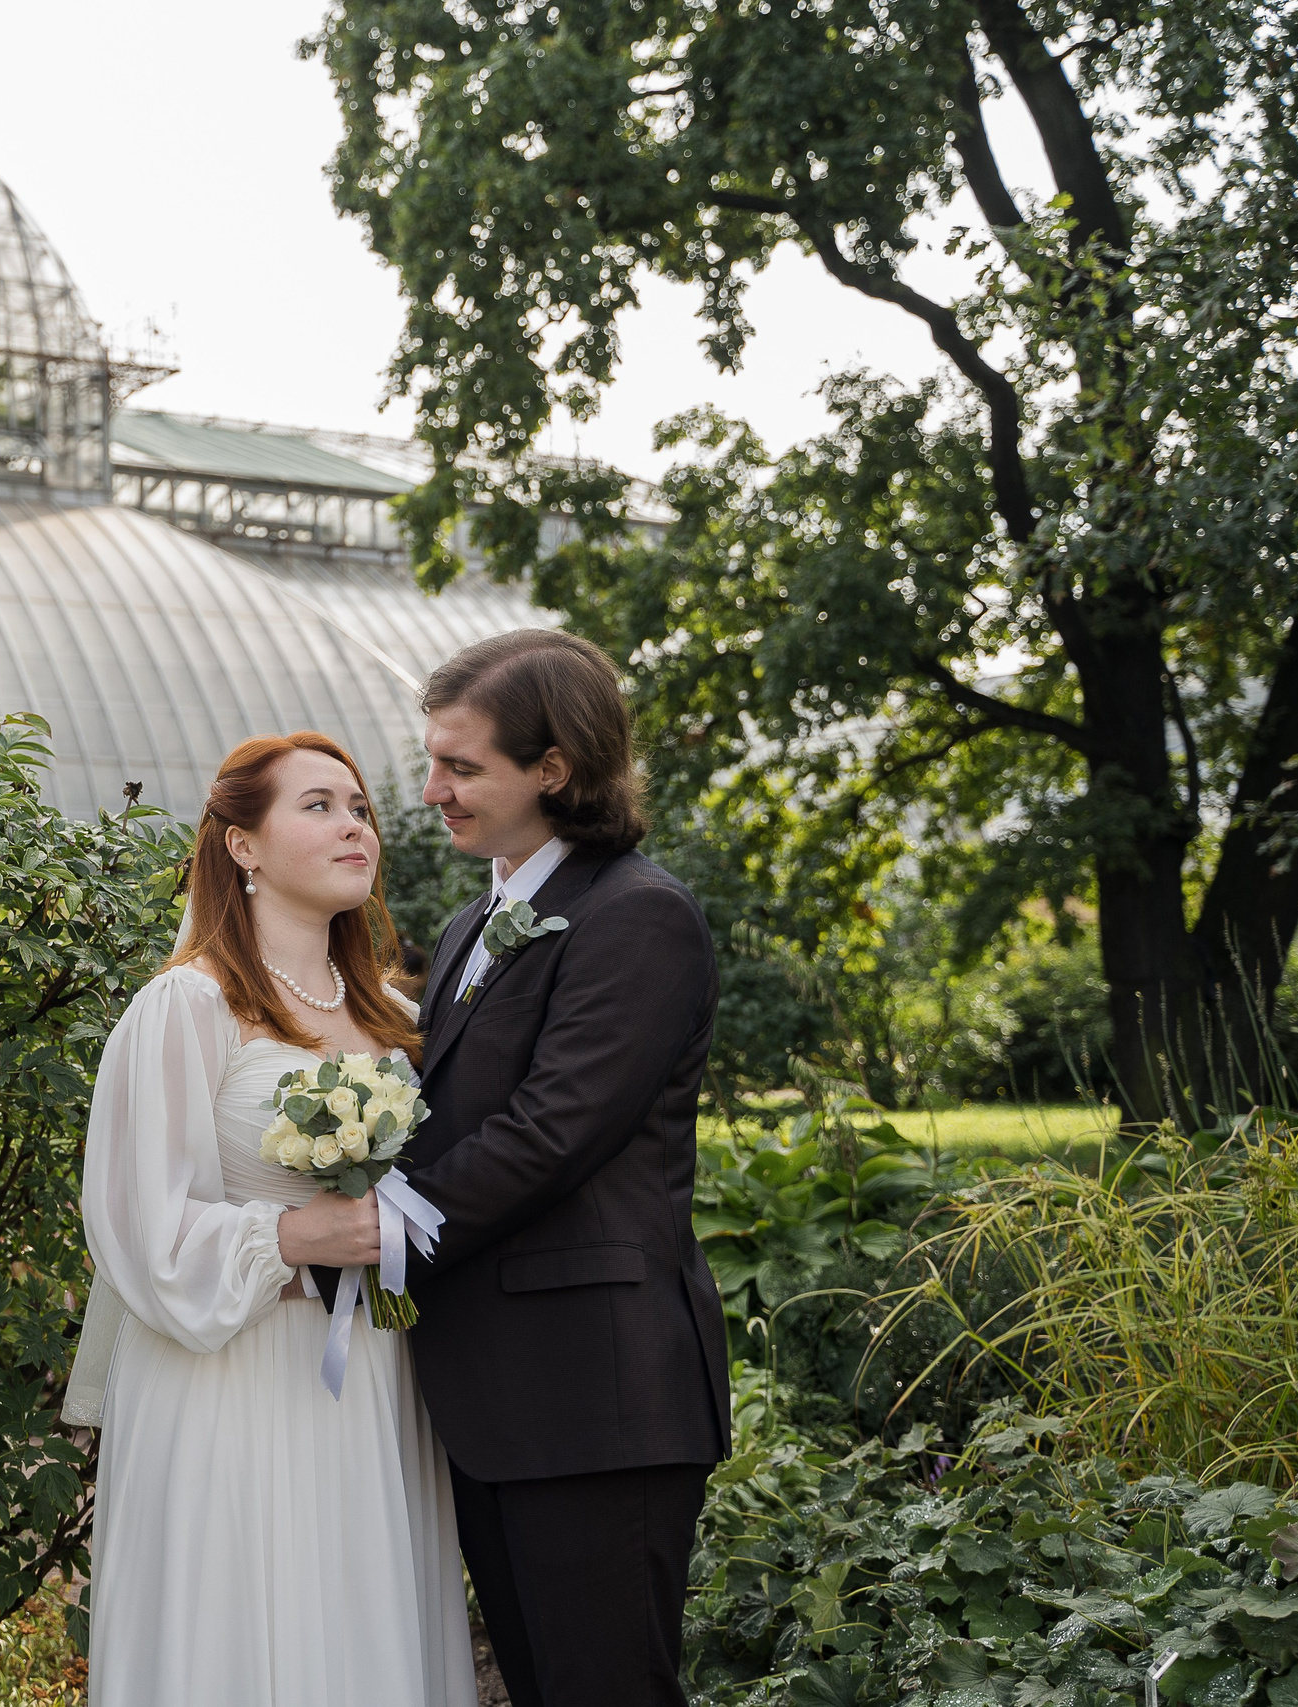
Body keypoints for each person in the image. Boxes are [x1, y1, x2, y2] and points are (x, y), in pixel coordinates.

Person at [65, 732, 478, 1707]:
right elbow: (134, 1222)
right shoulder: (184, 1008)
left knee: (363, 1621)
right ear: (241, 846)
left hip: (370, 1376)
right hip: (227, 1375)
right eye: (318, 806)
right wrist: (289, 1241)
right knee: (238, 1636)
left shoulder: (394, 1015)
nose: (352, 826)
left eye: (359, 808)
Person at [395, 629, 732, 1706]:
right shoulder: (470, 921)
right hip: (499, 1396)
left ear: (554, 769)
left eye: (461, 767)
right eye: (431, 760)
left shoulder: (637, 915)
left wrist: (375, 1232)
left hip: (597, 1398)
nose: (431, 790)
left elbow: (550, 1133)